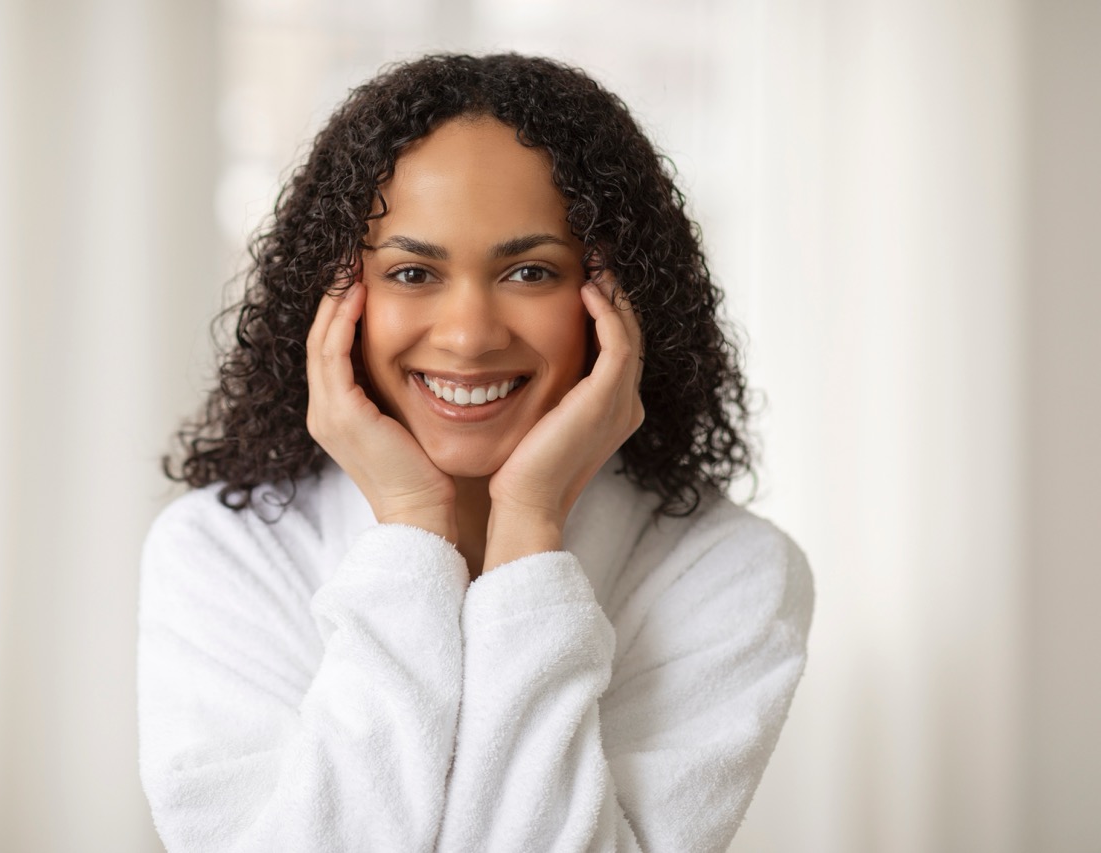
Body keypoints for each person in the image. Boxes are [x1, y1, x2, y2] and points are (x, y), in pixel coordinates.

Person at [139, 53, 813, 852]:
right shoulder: (225, 551)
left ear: (619, 300)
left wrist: (528, 529)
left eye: (530, 271)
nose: (468, 336)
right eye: (413, 271)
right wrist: (411, 529)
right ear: (332, 298)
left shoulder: (727, 570)